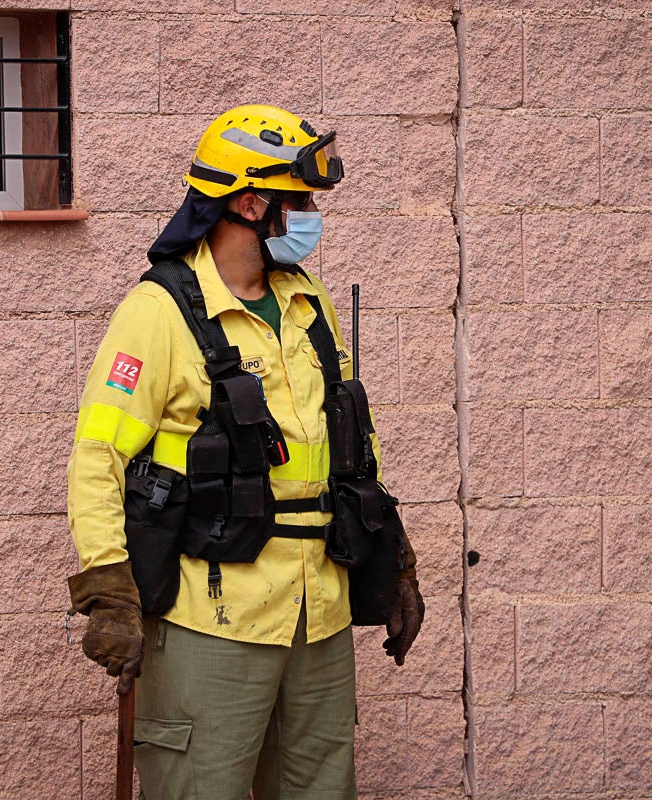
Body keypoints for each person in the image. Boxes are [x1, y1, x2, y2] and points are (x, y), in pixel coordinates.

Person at [64, 104, 425, 799]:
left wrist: (396, 558)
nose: (313, 214)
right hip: (213, 618)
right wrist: (109, 589)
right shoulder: (159, 311)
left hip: (318, 611)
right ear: (251, 200)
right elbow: (97, 457)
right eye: (301, 199)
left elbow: (349, 448)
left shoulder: (307, 301)